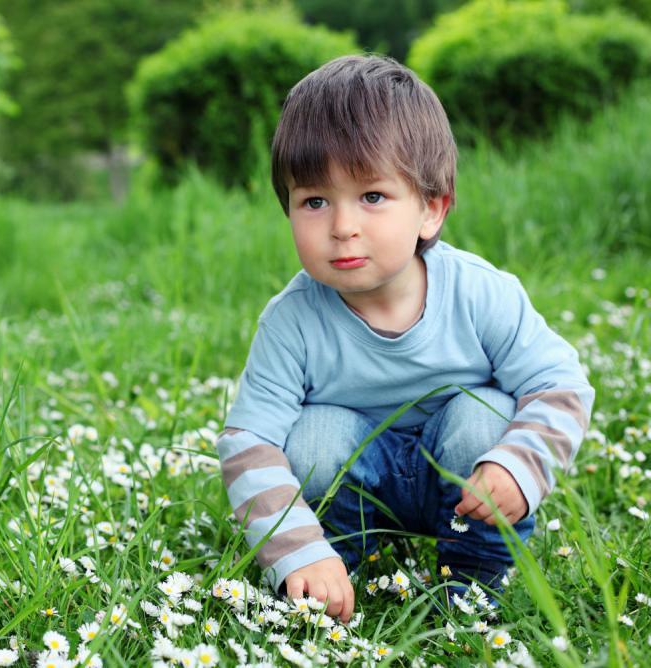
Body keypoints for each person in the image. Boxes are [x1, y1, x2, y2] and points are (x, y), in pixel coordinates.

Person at [215, 54, 594, 623]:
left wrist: (520, 464)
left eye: (372, 197)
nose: (343, 225)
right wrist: (295, 545)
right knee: (313, 437)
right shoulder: (291, 319)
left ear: (431, 209)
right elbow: (248, 441)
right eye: (314, 201)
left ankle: (475, 577)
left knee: (484, 414)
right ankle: (329, 572)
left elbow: (561, 385)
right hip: (353, 489)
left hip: (469, 481)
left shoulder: (480, 293)